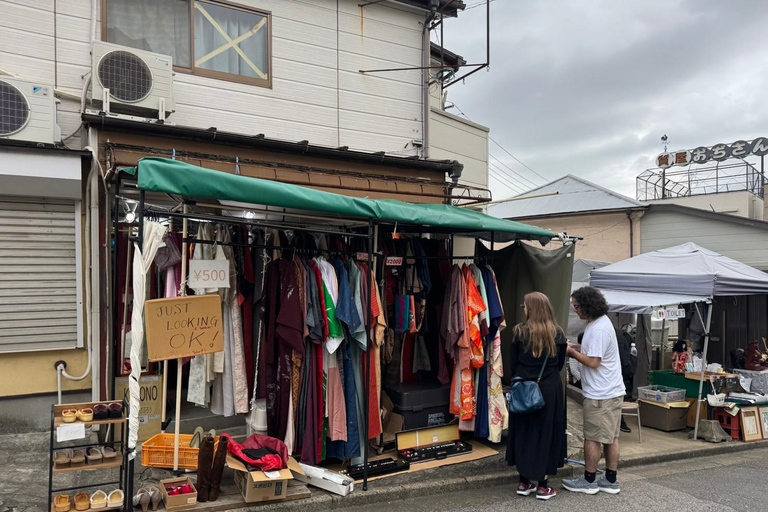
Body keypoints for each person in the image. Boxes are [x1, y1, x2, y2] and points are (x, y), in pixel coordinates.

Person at [563, 287, 625, 495]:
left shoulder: (598, 329)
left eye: (578, 307)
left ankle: (589, 480)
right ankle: (610, 479)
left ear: (588, 305)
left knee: (593, 437)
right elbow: (591, 350)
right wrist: (575, 346)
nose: (576, 311)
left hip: (601, 394)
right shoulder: (597, 323)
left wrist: (571, 352)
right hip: (610, 391)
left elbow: (593, 361)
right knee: (610, 437)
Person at [506, 292, 567, 501]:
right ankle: (543, 485)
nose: (524, 308)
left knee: (523, 432)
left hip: (524, 388)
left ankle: (524, 482)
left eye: (525, 305)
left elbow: (513, 364)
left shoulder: (519, 332)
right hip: (549, 389)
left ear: (531, 308)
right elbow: (559, 364)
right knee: (546, 434)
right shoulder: (557, 334)